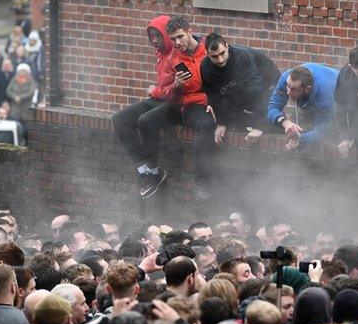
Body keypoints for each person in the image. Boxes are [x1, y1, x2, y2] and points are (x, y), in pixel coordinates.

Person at [132, 16, 215, 199]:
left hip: (206, 102)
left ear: (189, 32)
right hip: (185, 104)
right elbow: (167, 94)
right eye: (173, 39)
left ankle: (203, 180)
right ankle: (153, 171)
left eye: (180, 37)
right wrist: (176, 85)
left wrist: (215, 104)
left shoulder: (209, 49)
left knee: (206, 126)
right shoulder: (172, 59)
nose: (177, 43)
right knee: (145, 120)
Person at [110, 15, 175, 198]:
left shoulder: (177, 56)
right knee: (120, 119)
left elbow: (176, 91)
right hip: (159, 98)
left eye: (158, 36)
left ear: (167, 35)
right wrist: (157, 92)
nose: (154, 40)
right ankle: (143, 169)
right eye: (151, 36)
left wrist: (154, 91)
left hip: (175, 104)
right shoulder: (160, 53)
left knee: (145, 121)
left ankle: (155, 171)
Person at [199, 32, 281, 146]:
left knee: (260, 104)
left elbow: (256, 90)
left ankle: (267, 124)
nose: (220, 59)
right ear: (208, 54)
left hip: (268, 81)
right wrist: (221, 123)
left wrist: (259, 126)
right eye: (214, 56)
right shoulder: (205, 67)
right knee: (231, 117)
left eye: (222, 53)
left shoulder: (242, 56)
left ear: (227, 47)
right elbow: (213, 96)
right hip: (240, 88)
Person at [267, 63, 339, 150]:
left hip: (339, 94)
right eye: (288, 87)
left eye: (293, 89)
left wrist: (300, 140)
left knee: (331, 132)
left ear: (307, 89)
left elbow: (322, 131)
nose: (288, 92)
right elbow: (272, 107)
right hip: (312, 95)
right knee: (303, 127)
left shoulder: (324, 96)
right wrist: (285, 122)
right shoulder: (286, 78)